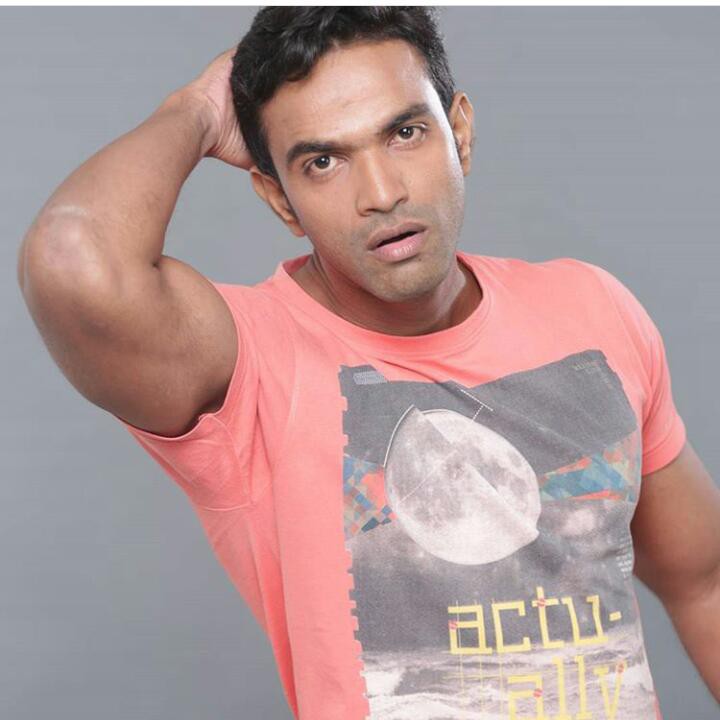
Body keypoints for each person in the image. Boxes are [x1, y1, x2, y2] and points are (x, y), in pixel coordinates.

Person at [16, 7, 720, 719]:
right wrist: (196, 110)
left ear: (460, 132)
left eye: (404, 133)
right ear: (279, 199)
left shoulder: (590, 309)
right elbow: (71, 258)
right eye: (323, 162)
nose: (381, 193)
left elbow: (704, 582)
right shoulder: (248, 362)